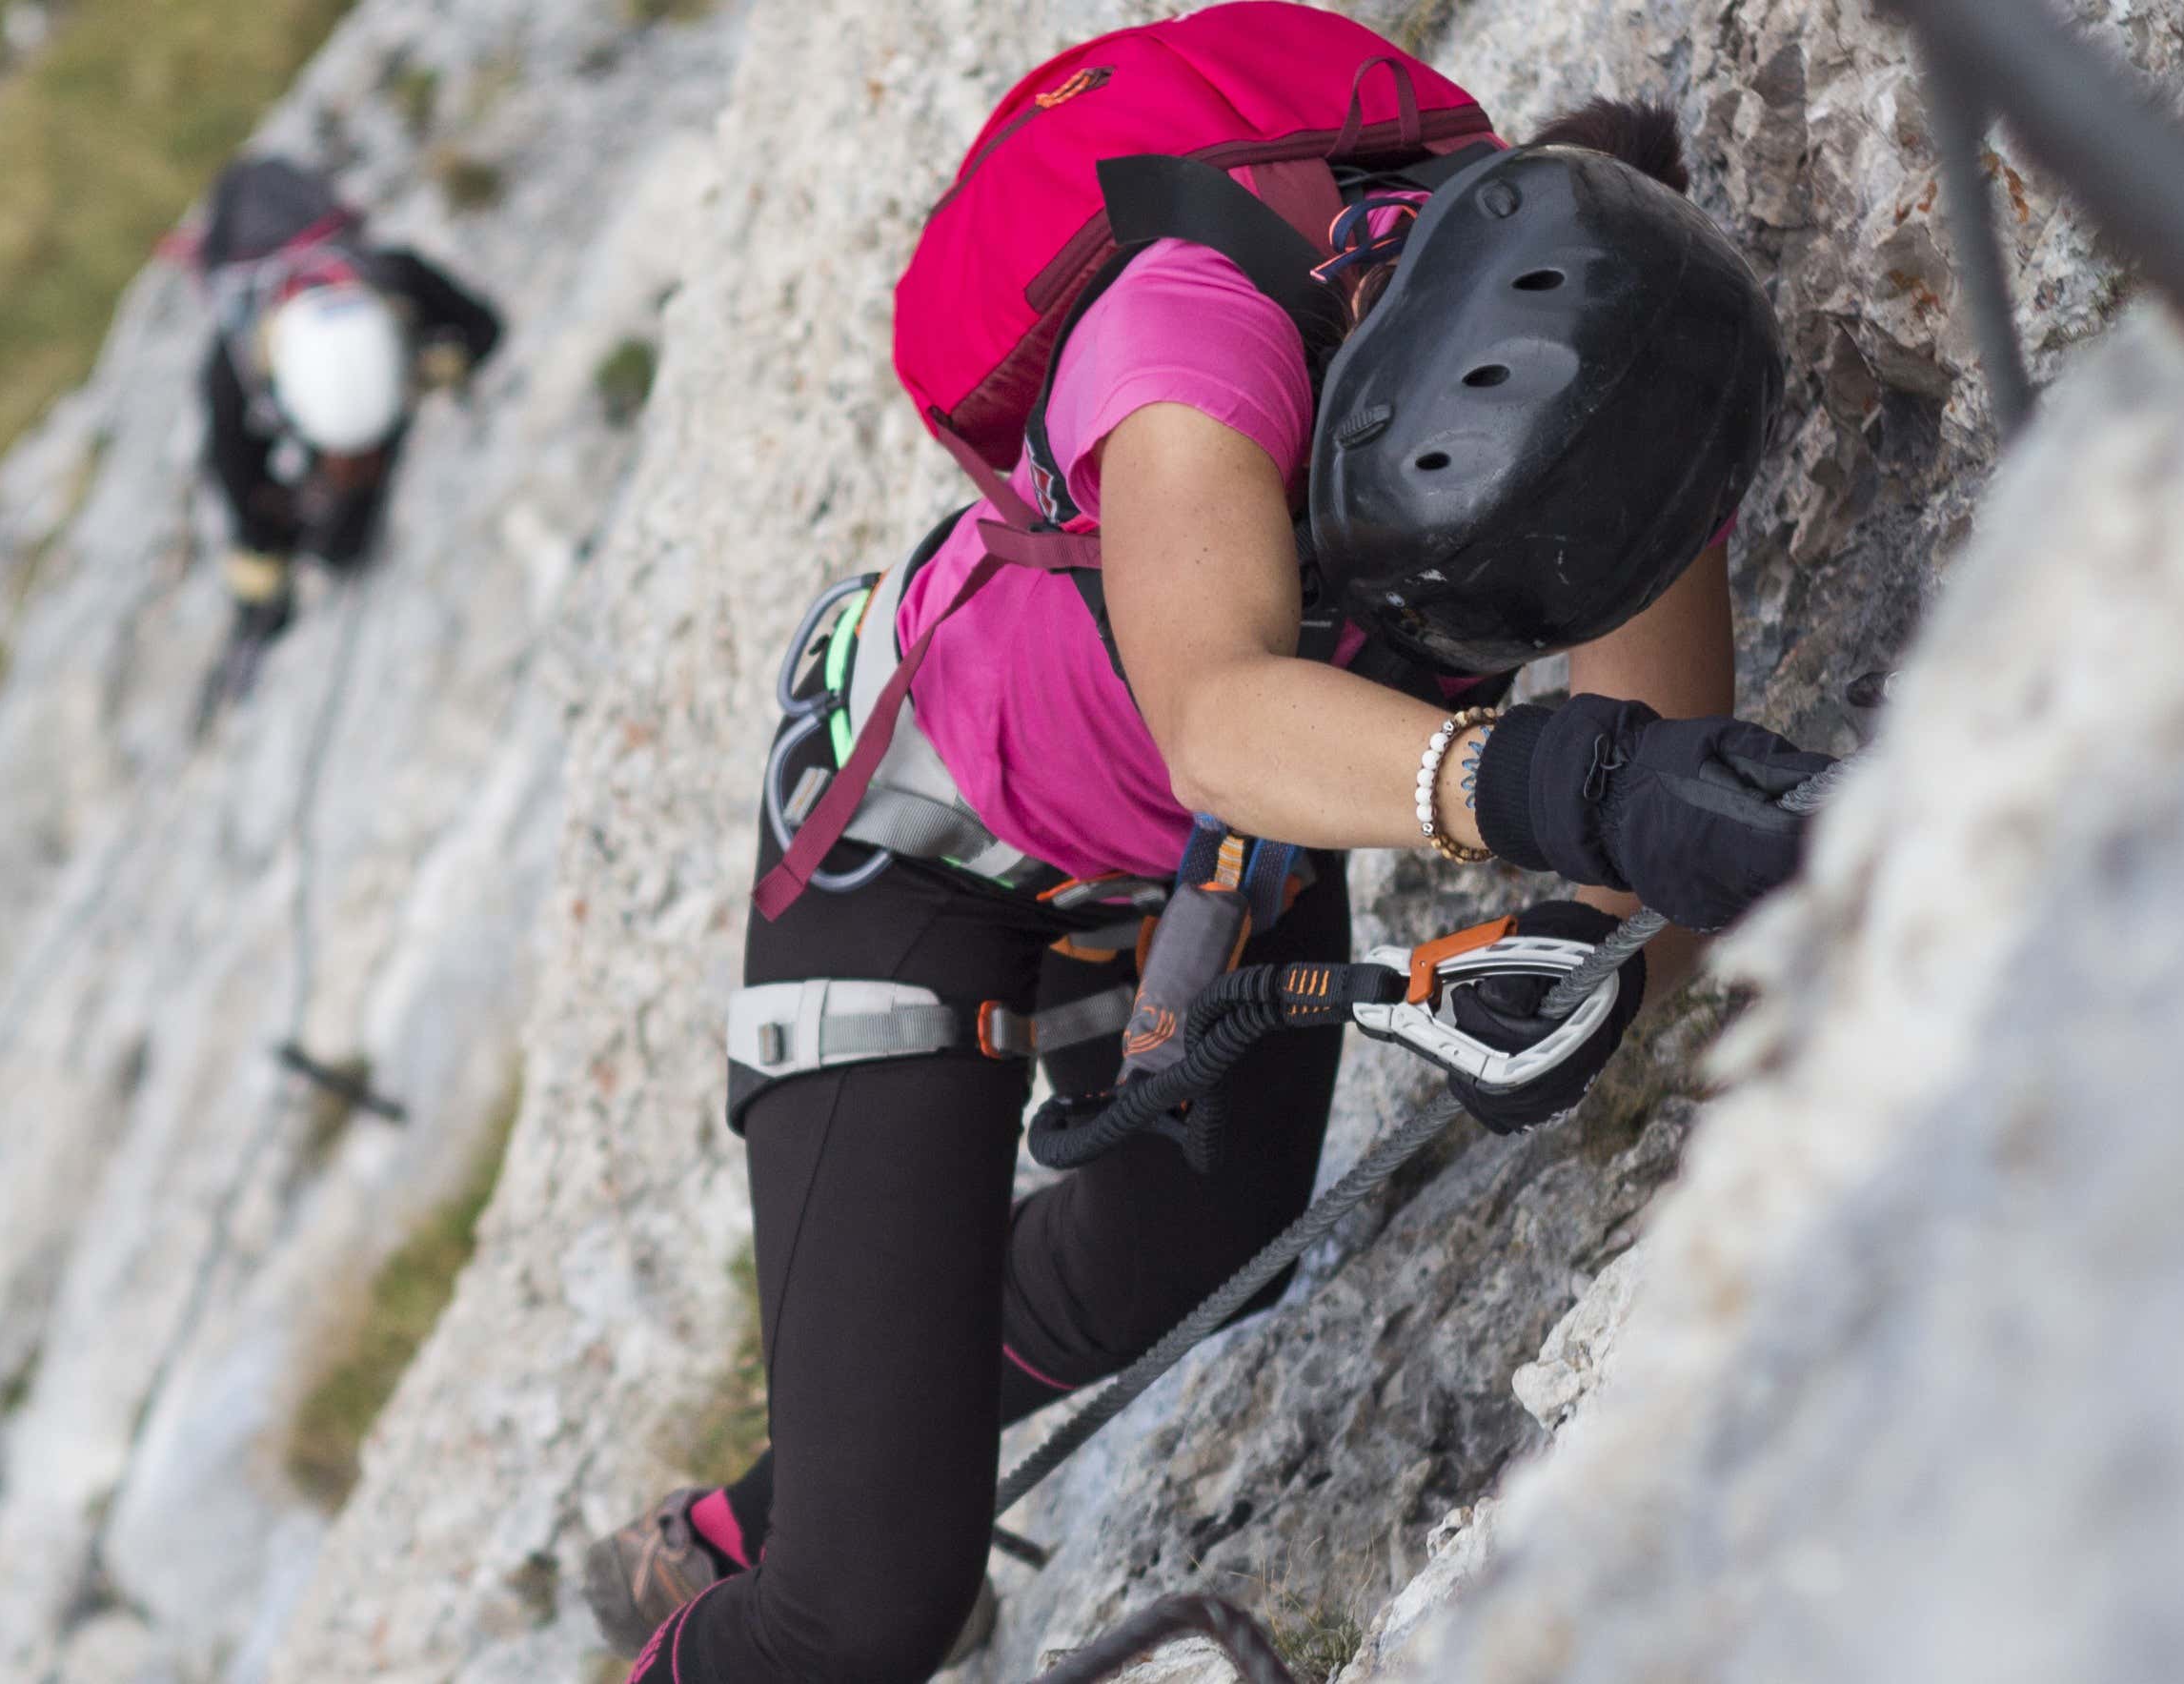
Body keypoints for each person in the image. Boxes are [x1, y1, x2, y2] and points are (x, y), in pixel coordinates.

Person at [580, 10, 1837, 1679]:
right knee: (861, 1611)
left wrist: (1590, 966)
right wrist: (1564, 782)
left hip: (1208, 850)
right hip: (918, 845)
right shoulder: (1189, 333)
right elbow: (1221, 716)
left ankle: (775, 1500)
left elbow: (1633, 848)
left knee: (1187, 1263)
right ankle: (803, 1550)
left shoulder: (1617, 403)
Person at [182, 154, 509, 701]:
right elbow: (236, 480)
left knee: (342, 538)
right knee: (332, 539)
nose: (358, 467)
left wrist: (436, 368)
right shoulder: (232, 374)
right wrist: (263, 567)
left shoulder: (397, 279)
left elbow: (483, 327)